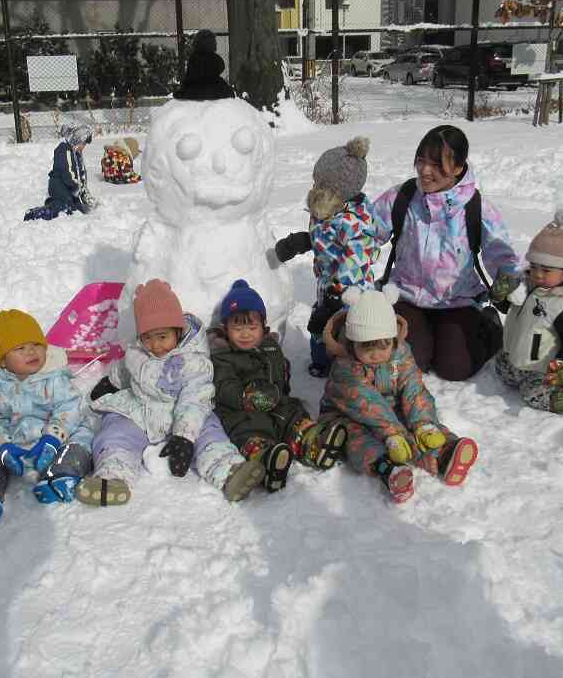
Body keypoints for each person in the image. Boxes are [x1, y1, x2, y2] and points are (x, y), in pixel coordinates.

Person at [80, 279, 264, 506]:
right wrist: (111, 382)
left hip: (185, 414)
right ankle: (112, 477)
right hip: (142, 410)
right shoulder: (137, 351)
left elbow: (195, 399)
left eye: (162, 337)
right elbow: (127, 369)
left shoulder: (194, 361)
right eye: (148, 337)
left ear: (178, 331)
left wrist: (184, 437)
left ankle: (230, 471)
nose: (155, 346)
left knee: (210, 432)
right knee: (115, 431)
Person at [372, 125, 520, 381]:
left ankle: (488, 327)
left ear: (458, 168)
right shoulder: (402, 198)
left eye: (437, 164)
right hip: (407, 296)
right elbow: (368, 232)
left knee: (455, 368)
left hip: (457, 300)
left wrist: (508, 282)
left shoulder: (475, 206)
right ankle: (426, 335)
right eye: (421, 161)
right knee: (410, 362)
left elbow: (501, 253)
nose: (425, 171)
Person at [318, 286, 479, 504]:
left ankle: (445, 453)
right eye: (367, 348)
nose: (375, 355)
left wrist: (422, 423)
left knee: (418, 423)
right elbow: (365, 403)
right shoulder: (346, 366)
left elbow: (412, 386)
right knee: (358, 439)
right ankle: (387, 468)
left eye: (382, 347)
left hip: (389, 409)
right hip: (348, 414)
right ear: (353, 342)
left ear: (393, 340)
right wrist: (393, 434)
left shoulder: (400, 352)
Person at [208, 280, 347, 493]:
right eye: (237, 327)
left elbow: (281, 379)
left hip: (276, 402)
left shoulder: (271, 347)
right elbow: (223, 385)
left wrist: (282, 374)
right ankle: (267, 459)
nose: (245, 333)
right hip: (243, 411)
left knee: (292, 415)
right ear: (225, 329)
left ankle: (312, 442)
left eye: (251, 327)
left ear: (262, 326)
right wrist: (245, 396)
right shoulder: (223, 356)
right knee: (250, 431)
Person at [0, 310, 92, 521]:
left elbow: (70, 406)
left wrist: (53, 438)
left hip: (55, 441)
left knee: (81, 440)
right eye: (20, 348)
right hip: (15, 446)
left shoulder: (54, 378)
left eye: (36, 345)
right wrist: (2, 447)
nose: (31, 352)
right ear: (2, 360)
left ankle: (62, 476)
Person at [272, 136, 387, 377]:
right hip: (328, 286)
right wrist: (302, 241)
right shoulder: (327, 209)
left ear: (336, 190)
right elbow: (324, 237)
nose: (313, 187)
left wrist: (336, 295)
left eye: (318, 183)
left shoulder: (356, 224)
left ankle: (355, 369)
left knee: (347, 331)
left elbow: (355, 264)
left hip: (352, 293)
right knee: (321, 332)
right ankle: (323, 361)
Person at [494, 210, 563, 426]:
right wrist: (500, 295)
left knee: (533, 394)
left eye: (546, 270)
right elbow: (510, 307)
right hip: (516, 357)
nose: (537, 274)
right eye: (534, 266)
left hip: (542, 366)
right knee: (502, 371)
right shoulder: (527, 286)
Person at [24, 122, 96, 221]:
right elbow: (68, 173)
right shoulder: (64, 150)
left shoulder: (76, 153)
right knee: (65, 206)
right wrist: (77, 186)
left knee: (79, 208)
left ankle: (59, 205)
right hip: (59, 185)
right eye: (83, 144)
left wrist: (84, 191)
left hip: (69, 188)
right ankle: (37, 213)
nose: (84, 147)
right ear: (76, 140)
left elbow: (81, 174)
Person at [173, 29, 235, 101]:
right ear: (213, 44)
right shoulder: (216, 59)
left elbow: (190, 77)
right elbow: (220, 68)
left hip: (193, 89)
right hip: (214, 89)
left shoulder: (193, 58)